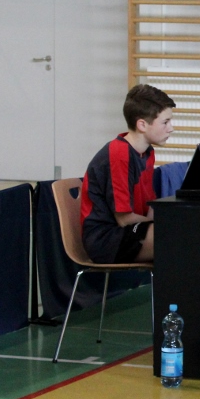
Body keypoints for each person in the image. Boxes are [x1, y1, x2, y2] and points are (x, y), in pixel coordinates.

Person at [80, 84, 175, 264]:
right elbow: (124, 219)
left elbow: (149, 207)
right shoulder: (119, 155)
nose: (171, 128)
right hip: (105, 239)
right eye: (165, 122)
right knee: (178, 238)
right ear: (142, 125)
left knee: (185, 231)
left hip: (129, 229)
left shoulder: (147, 152)